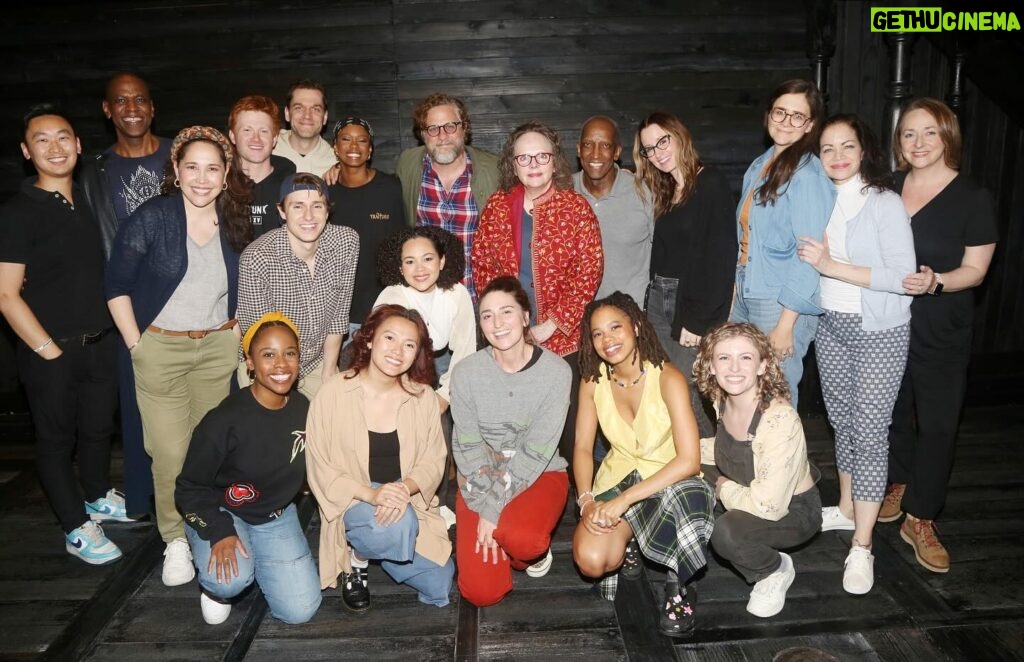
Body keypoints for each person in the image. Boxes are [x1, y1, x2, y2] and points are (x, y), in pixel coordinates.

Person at [106, 125, 252, 586]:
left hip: (216, 349)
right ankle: (175, 539)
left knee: (209, 449)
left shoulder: (234, 219)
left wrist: (234, 337)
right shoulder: (153, 217)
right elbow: (115, 287)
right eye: (193, 167)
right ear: (176, 169)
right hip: (161, 349)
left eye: (213, 168)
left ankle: (208, 525)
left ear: (227, 173)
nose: (203, 178)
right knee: (169, 451)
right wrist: (138, 345)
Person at [0, 104, 125, 565]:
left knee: (95, 432)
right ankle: (75, 527)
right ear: (26, 151)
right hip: (49, 352)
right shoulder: (17, 212)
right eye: (41, 140)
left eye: (63, 137)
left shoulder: (90, 203)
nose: (54, 147)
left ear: (78, 144)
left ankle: (95, 497)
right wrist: (48, 350)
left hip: (100, 344)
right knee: (55, 442)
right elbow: (7, 295)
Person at [796, 114, 915, 594]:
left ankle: (862, 545)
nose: (838, 156)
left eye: (847, 146)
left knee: (869, 433)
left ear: (863, 150)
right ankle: (847, 508)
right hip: (832, 324)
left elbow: (902, 277)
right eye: (827, 148)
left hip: (878, 328)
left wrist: (832, 265)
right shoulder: (821, 198)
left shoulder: (883, 202)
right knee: (843, 423)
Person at [882, 98, 998, 573]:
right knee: (892, 410)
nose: (919, 143)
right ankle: (898, 480)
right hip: (888, 319)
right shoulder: (887, 188)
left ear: (947, 135)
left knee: (938, 423)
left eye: (929, 132)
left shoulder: (973, 197)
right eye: (909, 134)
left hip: (942, 324)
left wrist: (937, 281)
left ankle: (922, 516)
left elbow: (975, 270)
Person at [572, 292, 713, 638]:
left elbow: (689, 460)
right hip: (619, 474)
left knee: (689, 500)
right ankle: (630, 538)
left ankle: (680, 582)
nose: (608, 340)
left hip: (669, 478)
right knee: (592, 561)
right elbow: (581, 447)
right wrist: (587, 499)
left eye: (616, 327)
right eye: (598, 333)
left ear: (635, 326)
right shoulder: (593, 381)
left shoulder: (669, 378)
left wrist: (622, 502)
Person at [472, 121, 604, 472]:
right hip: (509, 341)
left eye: (541, 156)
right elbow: (482, 266)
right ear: (512, 164)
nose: (533, 164)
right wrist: (502, 323)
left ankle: (579, 499)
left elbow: (589, 271)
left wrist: (553, 324)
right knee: (513, 429)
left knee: (568, 428)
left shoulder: (576, 208)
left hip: (564, 343)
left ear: (554, 160)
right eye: (524, 157)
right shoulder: (498, 206)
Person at [306, 304, 454, 611]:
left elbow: (433, 460)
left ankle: (378, 548)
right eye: (389, 338)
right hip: (353, 497)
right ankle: (356, 559)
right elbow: (320, 466)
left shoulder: (423, 397)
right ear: (370, 339)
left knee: (439, 584)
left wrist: (405, 488)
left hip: (404, 498)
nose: (398, 350)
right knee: (399, 526)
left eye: (409, 345)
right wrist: (373, 495)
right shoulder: (334, 392)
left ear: (418, 353)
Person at [176, 313, 321, 625]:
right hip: (224, 512)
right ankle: (215, 590)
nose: (281, 365)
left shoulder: (304, 409)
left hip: (275, 515)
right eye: (268, 355)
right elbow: (189, 488)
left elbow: (319, 468)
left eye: (290, 353)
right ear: (250, 362)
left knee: (300, 611)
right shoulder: (223, 421)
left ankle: (259, 557)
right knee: (229, 580)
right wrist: (218, 530)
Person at [79, 72, 172, 518]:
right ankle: (144, 498)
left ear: (152, 107)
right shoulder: (95, 171)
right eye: (121, 101)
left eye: (140, 99)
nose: (131, 108)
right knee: (135, 407)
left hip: (185, 297)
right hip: (128, 303)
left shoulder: (181, 154)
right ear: (107, 109)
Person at [450, 276, 571, 607]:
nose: (496, 323)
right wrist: (484, 502)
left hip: (539, 472)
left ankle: (524, 553)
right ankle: (501, 539)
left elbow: (535, 452)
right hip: (478, 479)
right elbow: (468, 446)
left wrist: (492, 512)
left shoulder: (557, 372)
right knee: (480, 593)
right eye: (487, 315)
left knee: (524, 540)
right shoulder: (465, 372)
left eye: (506, 312)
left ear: (525, 316)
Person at [693, 322, 820, 619]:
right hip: (743, 483)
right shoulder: (721, 397)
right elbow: (727, 448)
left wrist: (721, 486)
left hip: (790, 510)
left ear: (763, 365)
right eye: (724, 358)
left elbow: (769, 505)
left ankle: (774, 569)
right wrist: (681, 453)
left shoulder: (779, 419)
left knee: (726, 534)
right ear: (710, 366)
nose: (734, 368)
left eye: (746, 358)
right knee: (678, 468)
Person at [729, 79, 836, 405]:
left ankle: (780, 459)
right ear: (768, 115)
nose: (786, 122)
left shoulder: (808, 173)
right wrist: (734, 295)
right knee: (740, 394)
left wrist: (785, 325)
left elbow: (809, 256)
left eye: (797, 116)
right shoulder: (759, 165)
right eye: (780, 112)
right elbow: (745, 240)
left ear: (810, 125)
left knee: (774, 399)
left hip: (781, 302)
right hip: (747, 290)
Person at [635, 111, 737, 438]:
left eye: (662, 141)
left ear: (680, 136)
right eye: (649, 149)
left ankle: (715, 464)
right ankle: (695, 464)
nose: (658, 153)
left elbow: (721, 257)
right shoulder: (668, 189)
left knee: (693, 392)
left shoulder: (710, 182)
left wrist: (697, 318)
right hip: (659, 303)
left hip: (688, 304)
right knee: (671, 390)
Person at [237, 173, 359, 398]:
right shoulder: (257, 258)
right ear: (282, 211)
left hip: (317, 361)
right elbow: (258, 337)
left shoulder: (346, 242)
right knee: (275, 431)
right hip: (268, 366)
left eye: (317, 206)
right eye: (297, 206)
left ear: (328, 210)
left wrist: (329, 371)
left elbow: (339, 315)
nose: (308, 216)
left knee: (336, 423)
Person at [396, 93, 500, 297]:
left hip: (478, 297)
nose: (442, 136)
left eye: (450, 126)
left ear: (464, 129)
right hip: (426, 299)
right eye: (433, 129)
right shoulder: (408, 165)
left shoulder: (494, 170)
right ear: (423, 135)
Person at [325, 117, 406, 339]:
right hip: (336, 316)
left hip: (383, 311)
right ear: (336, 148)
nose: (353, 146)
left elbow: (402, 247)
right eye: (346, 139)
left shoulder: (391, 188)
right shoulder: (325, 194)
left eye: (361, 140)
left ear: (369, 150)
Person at [573, 115, 654, 305]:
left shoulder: (643, 192)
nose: (595, 154)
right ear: (578, 149)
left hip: (632, 315)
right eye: (588, 145)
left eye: (605, 146)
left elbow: (666, 254)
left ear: (617, 152)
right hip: (578, 317)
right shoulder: (564, 192)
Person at [227, 94, 297, 238]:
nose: (256, 138)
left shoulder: (291, 188)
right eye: (247, 130)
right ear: (233, 136)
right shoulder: (219, 184)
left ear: (275, 139)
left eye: (264, 131)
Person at [272, 79, 336, 176]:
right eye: (299, 108)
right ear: (287, 113)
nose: (307, 116)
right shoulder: (265, 147)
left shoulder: (335, 162)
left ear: (325, 117)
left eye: (316, 109)